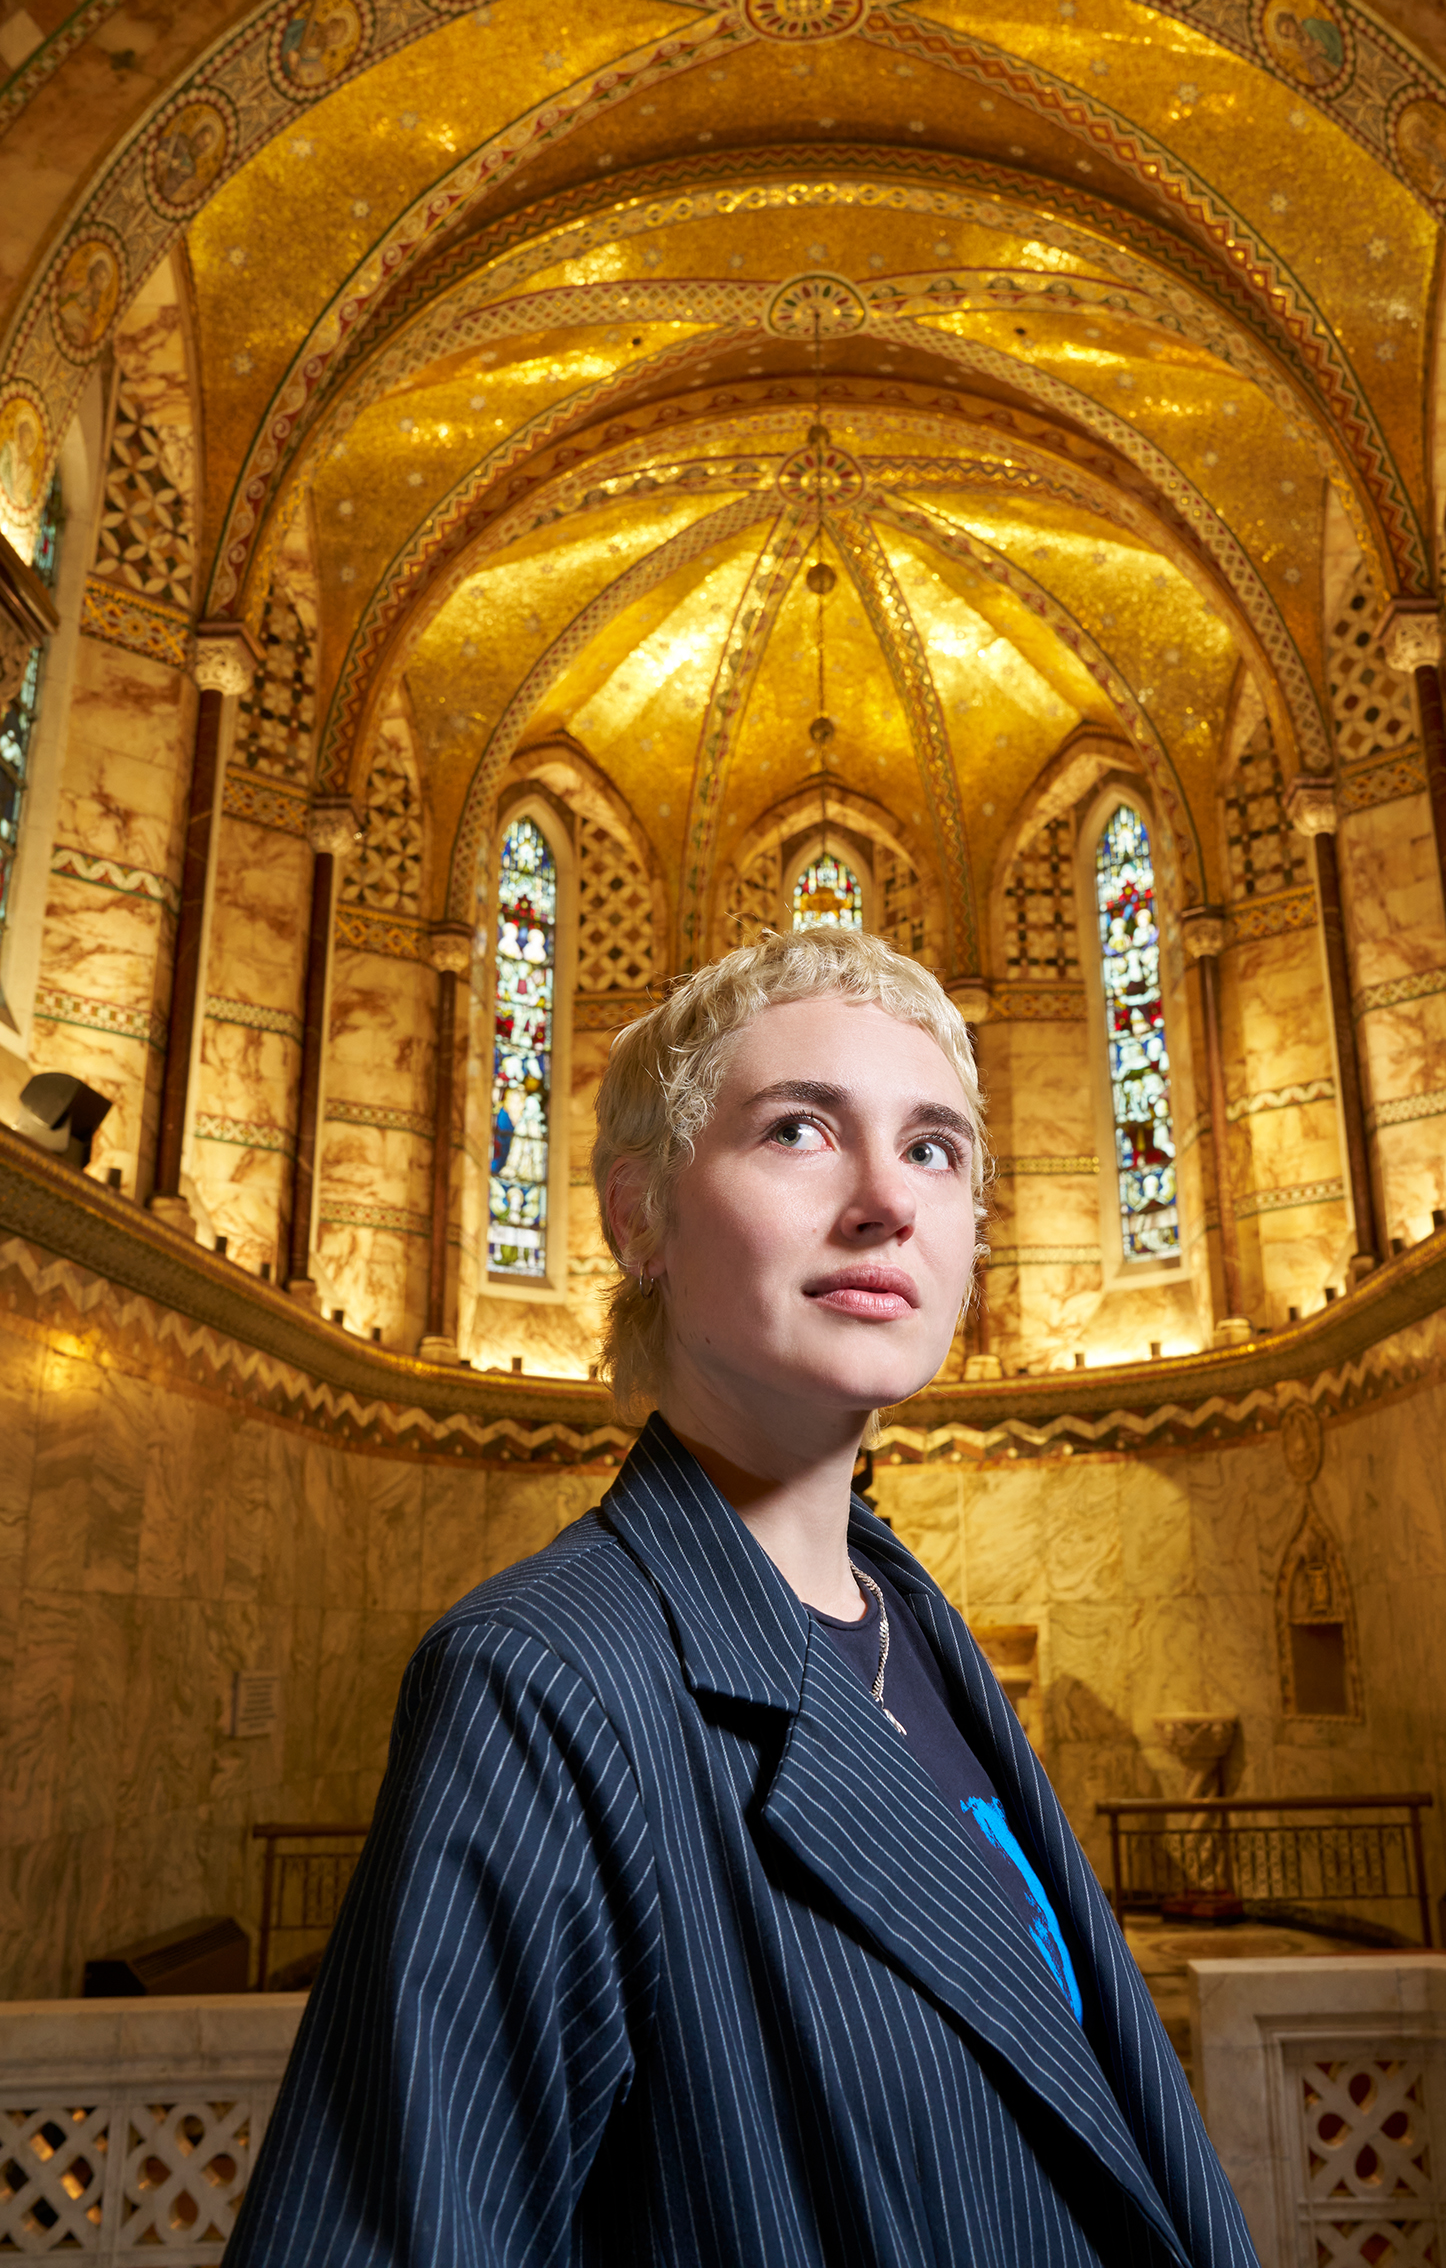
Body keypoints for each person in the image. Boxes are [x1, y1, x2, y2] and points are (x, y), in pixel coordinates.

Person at [228, 929, 1258, 2267]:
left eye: (935, 1147)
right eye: (797, 1132)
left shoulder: (913, 1624)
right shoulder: (541, 1682)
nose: (885, 1198)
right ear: (638, 1217)